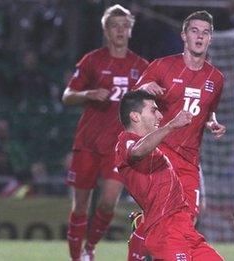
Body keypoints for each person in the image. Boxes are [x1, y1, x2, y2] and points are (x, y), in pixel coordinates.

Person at [128, 10, 226, 260]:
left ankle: (143, 233)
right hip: (161, 156)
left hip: (190, 161)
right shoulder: (162, 66)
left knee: (189, 218)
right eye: (194, 31)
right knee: (165, 220)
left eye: (205, 32)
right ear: (184, 35)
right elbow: (130, 103)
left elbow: (207, 110)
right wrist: (142, 88)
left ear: (210, 38)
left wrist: (213, 122)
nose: (199, 36)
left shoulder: (216, 79)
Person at [61, 4, 148, 260]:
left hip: (120, 147)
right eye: (115, 26)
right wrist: (88, 94)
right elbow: (67, 96)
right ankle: (77, 257)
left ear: (131, 30)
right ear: (106, 30)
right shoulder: (92, 61)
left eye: (125, 26)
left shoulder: (140, 66)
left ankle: (91, 246)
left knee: (109, 200)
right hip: (88, 143)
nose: (120, 30)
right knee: (80, 206)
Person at [116, 90, 223, 260]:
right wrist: (171, 125)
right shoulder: (125, 141)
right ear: (135, 116)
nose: (159, 115)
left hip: (186, 229)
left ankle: (139, 227)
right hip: (165, 230)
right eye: (153, 110)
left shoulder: (155, 147)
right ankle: (140, 231)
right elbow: (136, 152)